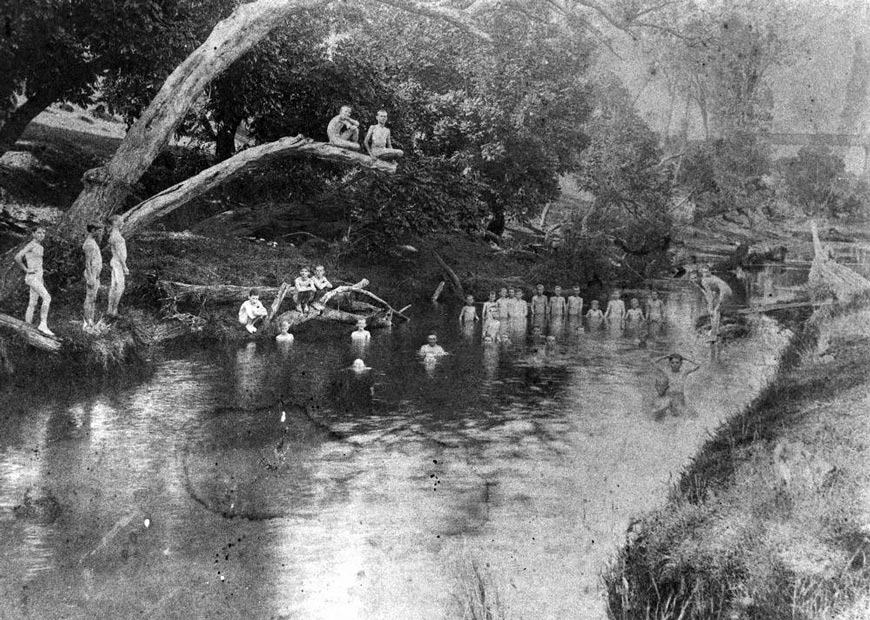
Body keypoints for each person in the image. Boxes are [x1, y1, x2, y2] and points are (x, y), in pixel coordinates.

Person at [13, 226, 53, 335]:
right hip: (32, 277)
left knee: (32, 303)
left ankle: (27, 327)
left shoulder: (40, 247)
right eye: (39, 233)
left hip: (38, 277)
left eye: (43, 233)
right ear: (33, 233)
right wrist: (26, 269)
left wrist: (41, 278)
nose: (41, 235)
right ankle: (43, 324)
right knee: (47, 297)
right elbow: (17, 257)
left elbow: (39, 264)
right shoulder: (31, 245)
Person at [651, 353, 701, 417]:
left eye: (677, 362)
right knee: (662, 409)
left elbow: (698, 364)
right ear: (670, 364)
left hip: (679, 398)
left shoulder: (684, 372)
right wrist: (665, 356)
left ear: (680, 364)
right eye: (672, 362)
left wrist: (686, 358)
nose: (675, 364)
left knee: (683, 414)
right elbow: (652, 362)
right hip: (669, 397)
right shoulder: (667, 371)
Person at [699, 265, 733, 342]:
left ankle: (713, 334)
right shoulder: (711, 278)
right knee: (716, 310)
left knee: (715, 311)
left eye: (707, 271)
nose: (705, 273)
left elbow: (711, 295)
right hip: (727, 291)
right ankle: (716, 330)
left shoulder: (704, 281)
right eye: (704, 272)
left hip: (724, 292)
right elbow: (714, 292)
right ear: (701, 273)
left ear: (710, 272)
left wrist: (710, 307)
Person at [106, 215, 129, 318]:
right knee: (120, 286)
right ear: (115, 222)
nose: (122, 223)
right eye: (121, 221)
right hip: (118, 263)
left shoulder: (113, 234)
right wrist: (124, 266)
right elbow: (119, 253)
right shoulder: (116, 236)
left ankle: (110, 310)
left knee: (113, 286)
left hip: (115, 261)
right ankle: (113, 310)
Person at [82, 223, 104, 330]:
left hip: (96, 274)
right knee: (89, 298)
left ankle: (91, 320)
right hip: (91, 274)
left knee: (93, 298)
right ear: (93, 230)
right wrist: (90, 278)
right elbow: (88, 263)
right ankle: (86, 322)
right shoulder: (89, 244)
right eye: (99, 231)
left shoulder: (93, 242)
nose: (100, 233)